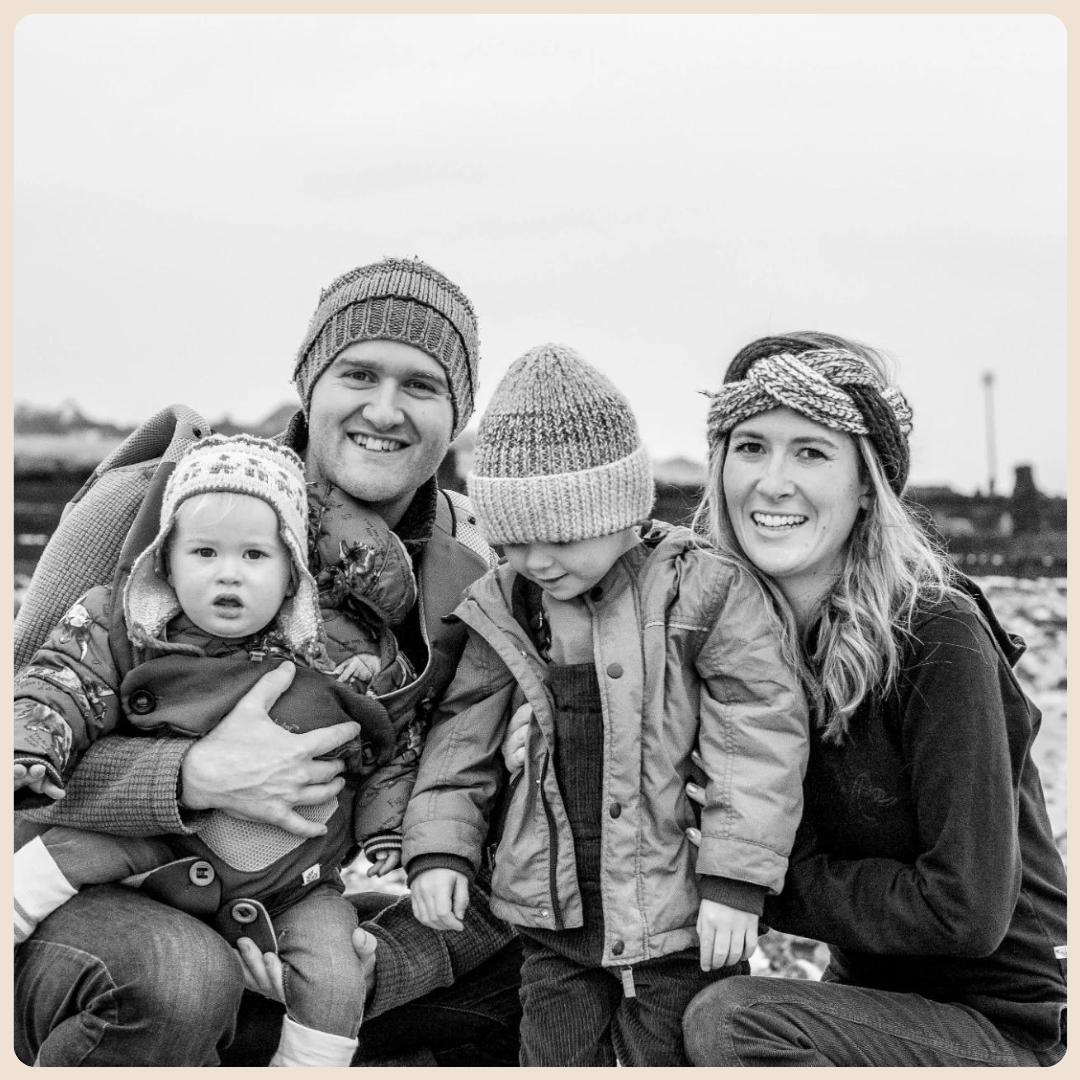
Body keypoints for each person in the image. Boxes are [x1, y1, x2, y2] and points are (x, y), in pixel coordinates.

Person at [13, 257, 524, 1067]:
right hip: (89, 895)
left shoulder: (476, 579)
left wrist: (373, 968)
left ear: (458, 413)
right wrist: (192, 776)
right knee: (184, 975)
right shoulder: (146, 505)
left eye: (422, 386)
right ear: (307, 383)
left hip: (290, 902)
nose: (385, 410)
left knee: (545, 969)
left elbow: (500, 823)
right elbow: (20, 738)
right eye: (358, 373)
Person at [402, 344, 809, 1066]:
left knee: (667, 1055)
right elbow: (462, 738)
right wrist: (440, 848)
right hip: (551, 914)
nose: (538, 561)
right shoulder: (506, 603)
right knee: (551, 1056)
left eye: (560, 538)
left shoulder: (701, 592)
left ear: (624, 511)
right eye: (514, 542)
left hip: (675, 915)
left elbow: (757, 738)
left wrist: (736, 880)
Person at [669, 334, 1066, 1066]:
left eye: (811, 452)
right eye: (750, 447)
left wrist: (754, 879)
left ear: (866, 484)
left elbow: (967, 910)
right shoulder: (728, 641)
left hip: (994, 1024)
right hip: (863, 999)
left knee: (730, 1021)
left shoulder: (937, 636)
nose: (773, 481)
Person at [14, 433, 415, 1065]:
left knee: (336, 972)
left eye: (255, 555)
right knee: (68, 859)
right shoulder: (129, 626)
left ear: (292, 578)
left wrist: (391, 834)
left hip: (289, 884)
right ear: (165, 562)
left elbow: (391, 749)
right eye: (204, 552)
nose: (229, 571)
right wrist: (33, 747)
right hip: (157, 844)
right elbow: (58, 684)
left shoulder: (340, 657)